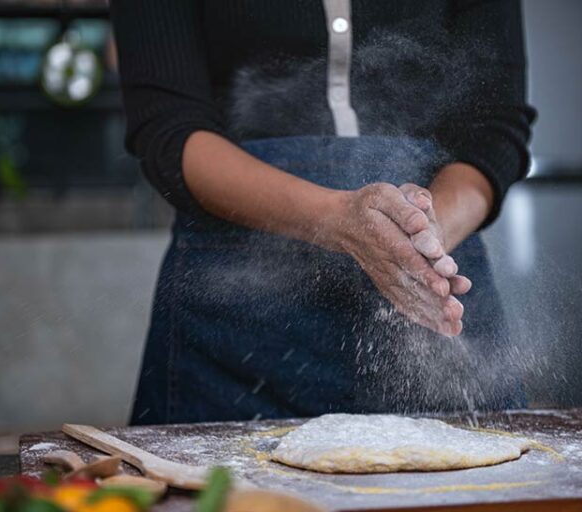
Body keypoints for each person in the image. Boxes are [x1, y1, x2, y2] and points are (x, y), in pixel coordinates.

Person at [109, 0, 536, 425]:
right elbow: (167, 128)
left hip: (431, 284)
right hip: (234, 315)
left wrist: (423, 234)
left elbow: (494, 126)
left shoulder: (424, 240)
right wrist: (337, 218)